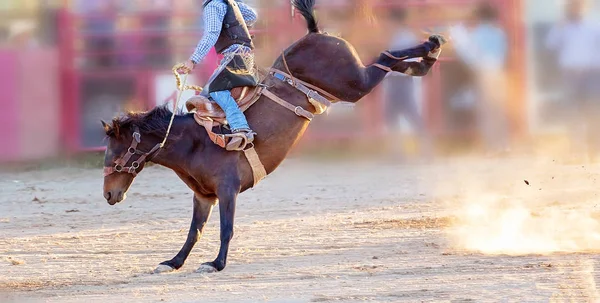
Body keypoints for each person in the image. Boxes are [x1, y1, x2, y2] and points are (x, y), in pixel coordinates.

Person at [178, 0, 259, 146]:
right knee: (207, 95)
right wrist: (232, 23)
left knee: (217, 90)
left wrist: (193, 60)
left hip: (234, 56)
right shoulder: (229, 3)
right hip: (245, 56)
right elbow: (252, 15)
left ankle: (241, 128)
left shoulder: (213, 6)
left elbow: (211, 34)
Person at [450, 1, 510, 156]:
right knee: (499, 111)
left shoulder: (476, 35)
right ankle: (503, 145)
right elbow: (504, 54)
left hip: (484, 74)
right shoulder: (499, 32)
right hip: (499, 73)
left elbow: (469, 56)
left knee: (486, 112)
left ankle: (491, 147)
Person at [545, 0, 600, 162]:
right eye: (573, 6)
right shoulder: (562, 28)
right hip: (570, 74)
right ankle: (576, 149)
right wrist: (560, 25)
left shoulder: (594, 26)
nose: (577, 9)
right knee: (572, 113)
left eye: (579, 6)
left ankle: (594, 149)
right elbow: (550, 45)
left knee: (593, 112)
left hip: (592, 73)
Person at [383, 8, 432, 160]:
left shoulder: (402, 38)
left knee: (404, 115)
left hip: (401, 79)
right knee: (399, 115)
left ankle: (409, 150)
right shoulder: (403, 37)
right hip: (399, 79)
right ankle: (403, 151)